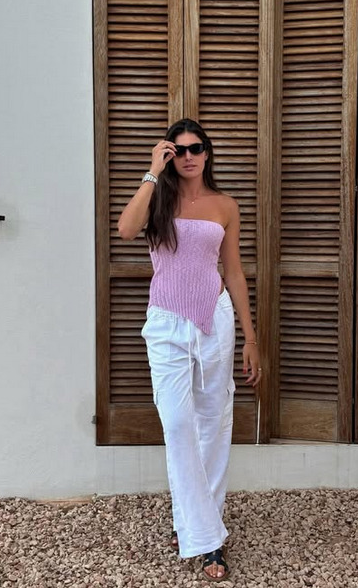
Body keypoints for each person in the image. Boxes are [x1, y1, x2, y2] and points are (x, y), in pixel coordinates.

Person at [117, 118, 261, 582]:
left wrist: (251, 337)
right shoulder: (158, 199)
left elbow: (233, 271)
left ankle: (205, 535)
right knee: (178, 424)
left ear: (207, 152)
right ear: (169, 155)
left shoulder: (226, 205)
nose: (188, 156)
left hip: (214, 319)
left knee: (213, 423)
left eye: (195, 148)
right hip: (166, 323)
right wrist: (151, 172)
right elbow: (125, 229)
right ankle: (201, 529)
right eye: (178, 150)